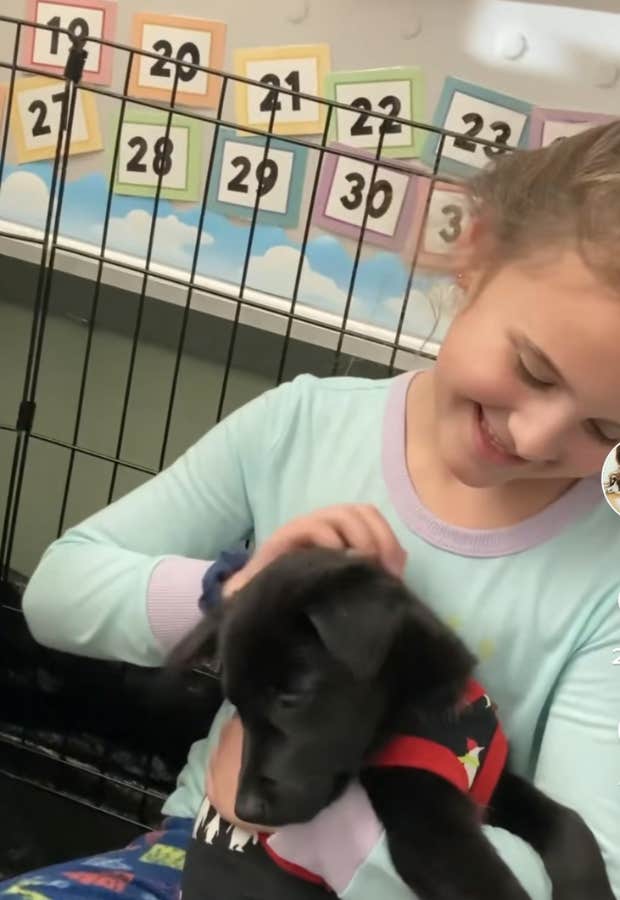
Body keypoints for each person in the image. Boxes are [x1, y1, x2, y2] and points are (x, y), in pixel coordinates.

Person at [2, 121, 620, 900]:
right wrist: (241, 596)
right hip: (195, 862)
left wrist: (312, 828)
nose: (535, 434)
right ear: (478, 251)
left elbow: (591, 872)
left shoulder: (607, 573)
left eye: (608, 428)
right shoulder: (303, 426)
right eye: (531, 367)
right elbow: (60, 591)